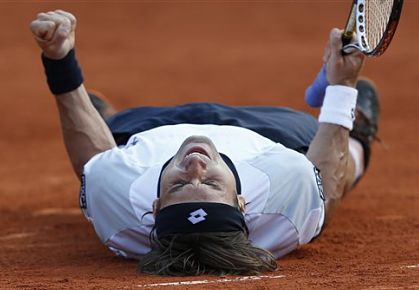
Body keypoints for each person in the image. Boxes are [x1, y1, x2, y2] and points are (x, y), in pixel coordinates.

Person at [30, 10, 379, 276]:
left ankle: (104, 116)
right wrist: (342, 87)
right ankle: (361, 140)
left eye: (179, 184)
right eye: (211, 182)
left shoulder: (121, 209)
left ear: (153, 207)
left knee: (106, 133)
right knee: (330, 181)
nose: (195, 166)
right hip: (269, 131)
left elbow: (92, 161)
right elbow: (326, 182)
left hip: (149, 130)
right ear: (242, 204)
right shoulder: (284, 205)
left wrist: (61, 60)